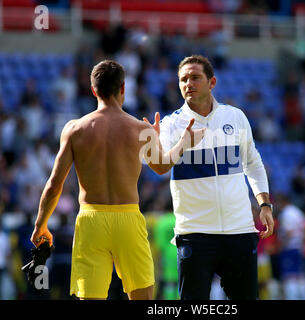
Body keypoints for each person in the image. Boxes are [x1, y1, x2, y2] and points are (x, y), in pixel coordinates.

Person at [30, 60, 205, 300]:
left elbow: (54, 185)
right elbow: (162, 166)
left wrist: (41, 224)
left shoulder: (74, 129)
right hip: (128, 218)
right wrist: (183, 143)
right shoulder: (139, 129)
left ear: (93, 90)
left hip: (91, 219)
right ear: (123, 88)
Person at [144, 55, 274, 300]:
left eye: (195, 77)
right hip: (195, 232)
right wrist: (174, 144)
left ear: (212, 82)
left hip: (239, 231)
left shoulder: (235, 117)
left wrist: (264, 204)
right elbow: (160, 167)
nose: (188, 84)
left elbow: (253, 163)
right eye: (183, 79)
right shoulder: (171, 124)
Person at [276, 194, 305, 300]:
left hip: (290, 248)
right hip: (299, 247)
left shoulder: (286, 214)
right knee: (300, 277)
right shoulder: (298, 212)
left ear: (283, 201)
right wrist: (302, 242)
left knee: (290, 277)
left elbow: (289, 233)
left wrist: (282, 244)